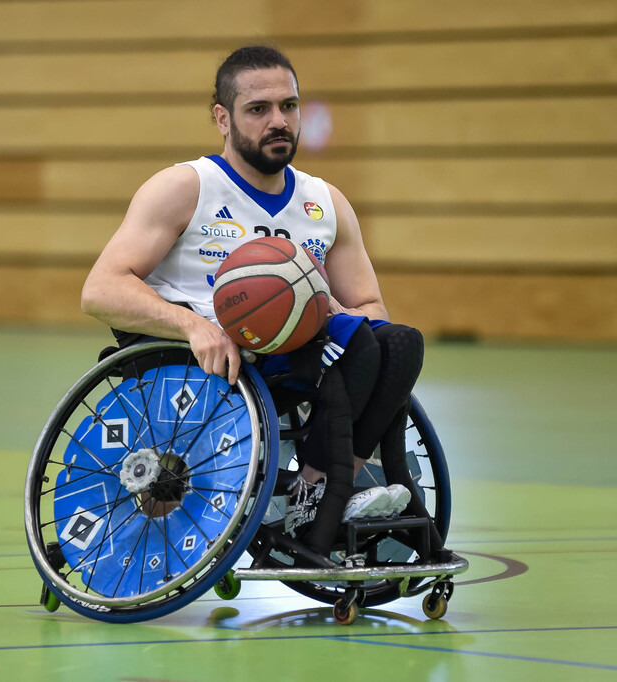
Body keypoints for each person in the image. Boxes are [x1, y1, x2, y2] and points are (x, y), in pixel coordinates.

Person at [81, 45, 428, 551]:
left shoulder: (325, 201)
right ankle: (319, 492)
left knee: (399, 343)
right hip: (203, 364)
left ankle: (319, 489)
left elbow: (373, 311)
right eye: (258, 109)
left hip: (294, 358)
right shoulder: (185, 187)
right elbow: (100, 290)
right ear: (223, 118)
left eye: (289, 106)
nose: (278, 121)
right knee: (356, 345)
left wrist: (327, 306)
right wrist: (193, 326)